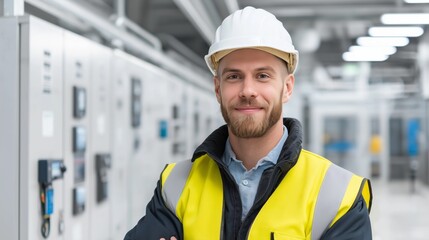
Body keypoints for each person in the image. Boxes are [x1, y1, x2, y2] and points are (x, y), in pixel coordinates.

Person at [125, 6, 373, 240]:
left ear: (286, 88)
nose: (248, 90)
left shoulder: (338, 197)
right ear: (218, 88)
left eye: (262, 76)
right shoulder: (176, 184)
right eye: (234, 76)